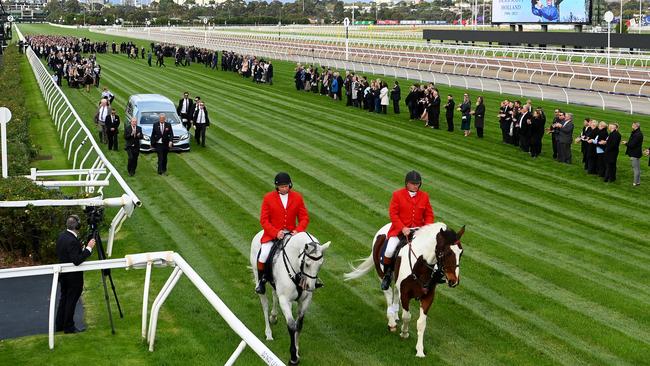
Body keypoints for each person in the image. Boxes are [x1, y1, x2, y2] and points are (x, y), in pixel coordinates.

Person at [256, 172, 310, 294]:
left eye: (286, 186)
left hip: (292, 234)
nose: (284, 188)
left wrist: (297, 230)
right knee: (263, 254)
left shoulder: (297, 197)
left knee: (306, 255)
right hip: (273, 234)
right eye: (281, 187)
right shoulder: (268, 198)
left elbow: (304, 218)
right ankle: (261, 281)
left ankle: (308, 280)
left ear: (290, 185)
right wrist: (276, 233)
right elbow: (264, 220)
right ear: (277, 187)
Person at [381, 171, 434, 291]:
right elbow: (393, 214)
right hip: (400, 231)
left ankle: (431, 275)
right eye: (413, 183)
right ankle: (387, 275)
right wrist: (403, 227)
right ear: (407, 184)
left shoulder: (424, 196)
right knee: (389, 250)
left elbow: (429, 215)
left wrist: (426, 229)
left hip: (418, 232)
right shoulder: (397, 195)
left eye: (418, 183)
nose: (416, 186)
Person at [55, 215, 96, 334]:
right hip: (73, 277)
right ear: (77, 226)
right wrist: (88, 249)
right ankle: (68, 326)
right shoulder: (72, 240)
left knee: (64, 299)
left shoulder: (62, 236)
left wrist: (80, 248)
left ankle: (60, 324)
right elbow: (76, 260)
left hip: (63, 275)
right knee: (71, 301)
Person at [622, 122, 644, 186]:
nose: (632, 126)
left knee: (635, 169)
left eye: (633, 125)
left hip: (634, 153)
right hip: (637, 153)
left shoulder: (637, 134)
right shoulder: (638, 133)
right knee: (637, 168)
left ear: (636, 126)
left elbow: (632, 145)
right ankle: (638, 182)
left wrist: (626, 143)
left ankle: (635, 183)